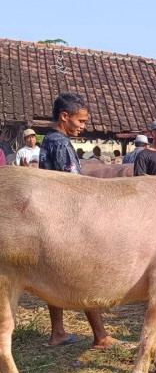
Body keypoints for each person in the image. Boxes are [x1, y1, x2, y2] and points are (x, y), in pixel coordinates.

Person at [39, 92, 122, 349]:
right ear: (65, 117)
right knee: (88, 275)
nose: (83, 127)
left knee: (54, 276)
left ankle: (58, 332)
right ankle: (101, 336)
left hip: (51, 216)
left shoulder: (49, 141)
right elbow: (74, 186)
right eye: (81, 121)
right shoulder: (61, 144)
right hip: (69, 219)